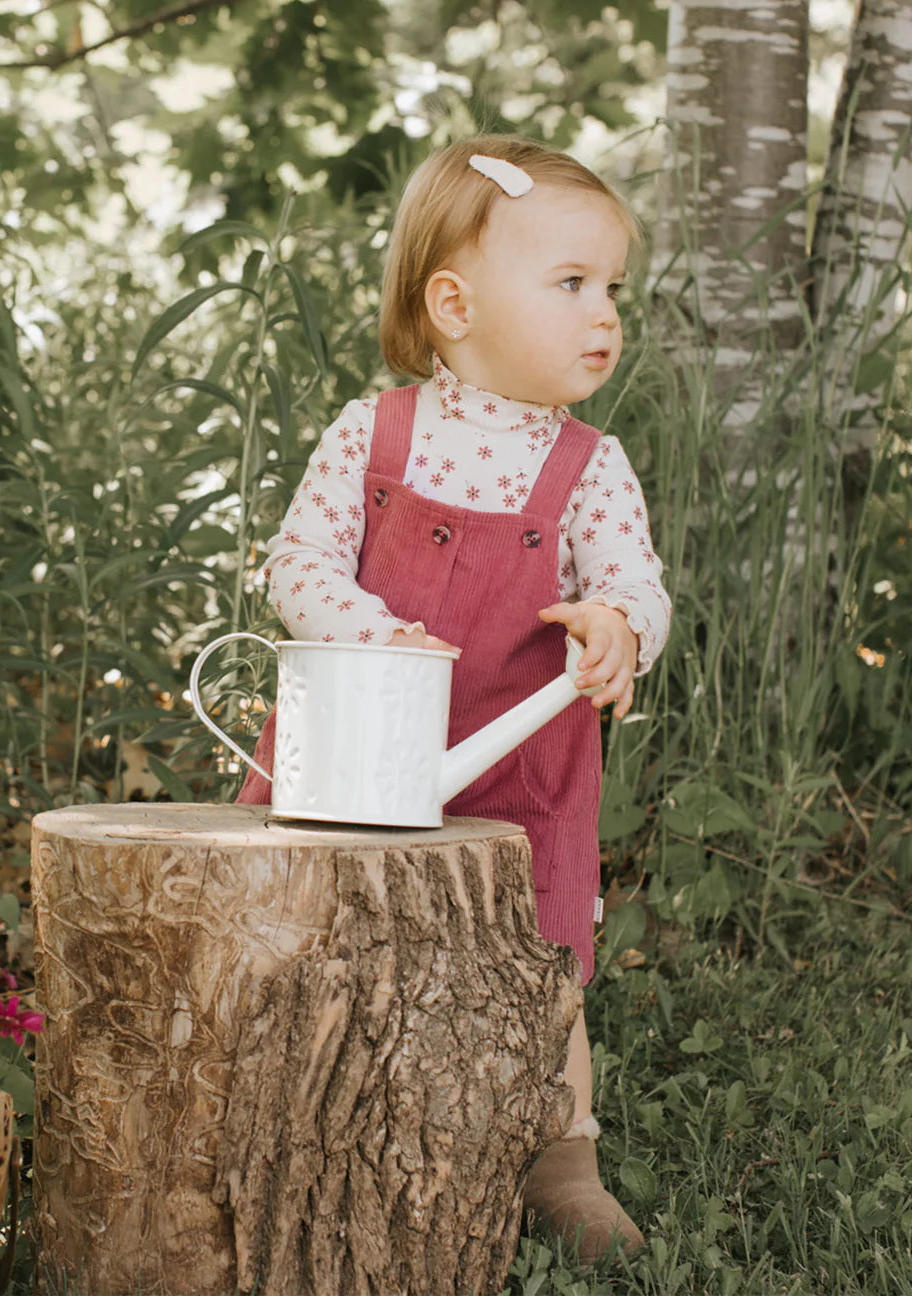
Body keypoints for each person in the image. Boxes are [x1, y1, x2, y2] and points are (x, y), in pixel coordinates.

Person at [237, 134, 670, 1261]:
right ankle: (291, 1112)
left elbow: (634, 581)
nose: (605, 313)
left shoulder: (590, 466)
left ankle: (562, 1155)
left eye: (613, 287)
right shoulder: (373, 436)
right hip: (357, 748)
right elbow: (296, 564)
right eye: (572, 284)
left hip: (520, 763)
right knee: (306, 936)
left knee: (546, 963)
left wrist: (620, 625)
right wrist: (373, 633)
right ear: (454, 302)